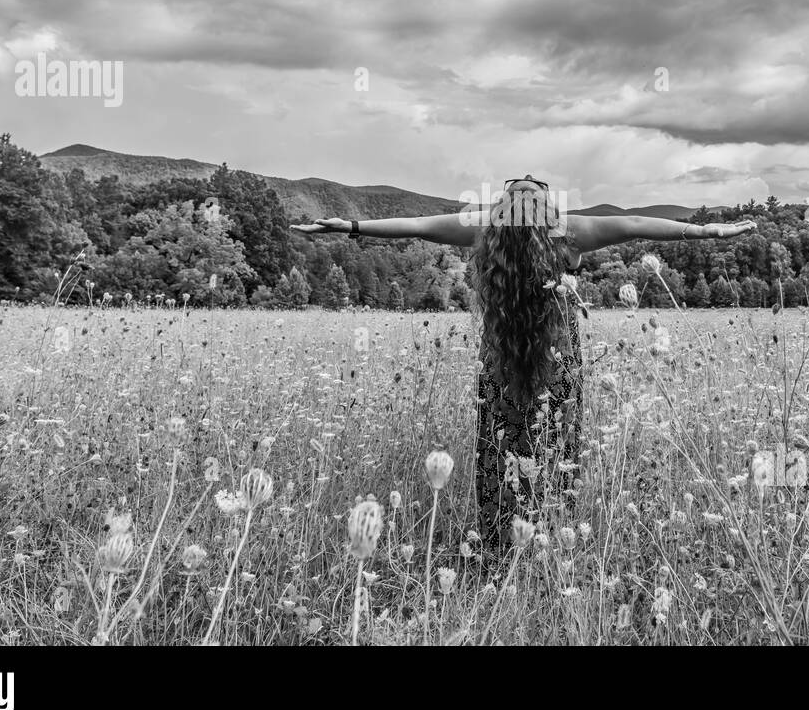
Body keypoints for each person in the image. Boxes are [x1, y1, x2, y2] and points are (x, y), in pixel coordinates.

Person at [293, 176, 757, 548]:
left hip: (500, 356)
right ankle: (551, 534)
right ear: (546, 210)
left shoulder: (485, 230)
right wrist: (707, 231)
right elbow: (637, 222)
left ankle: (499, 541)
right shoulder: (567, 232)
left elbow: (416, 223)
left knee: (501, 445)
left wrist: (351, 227)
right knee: (554, 440)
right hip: (556, 356)